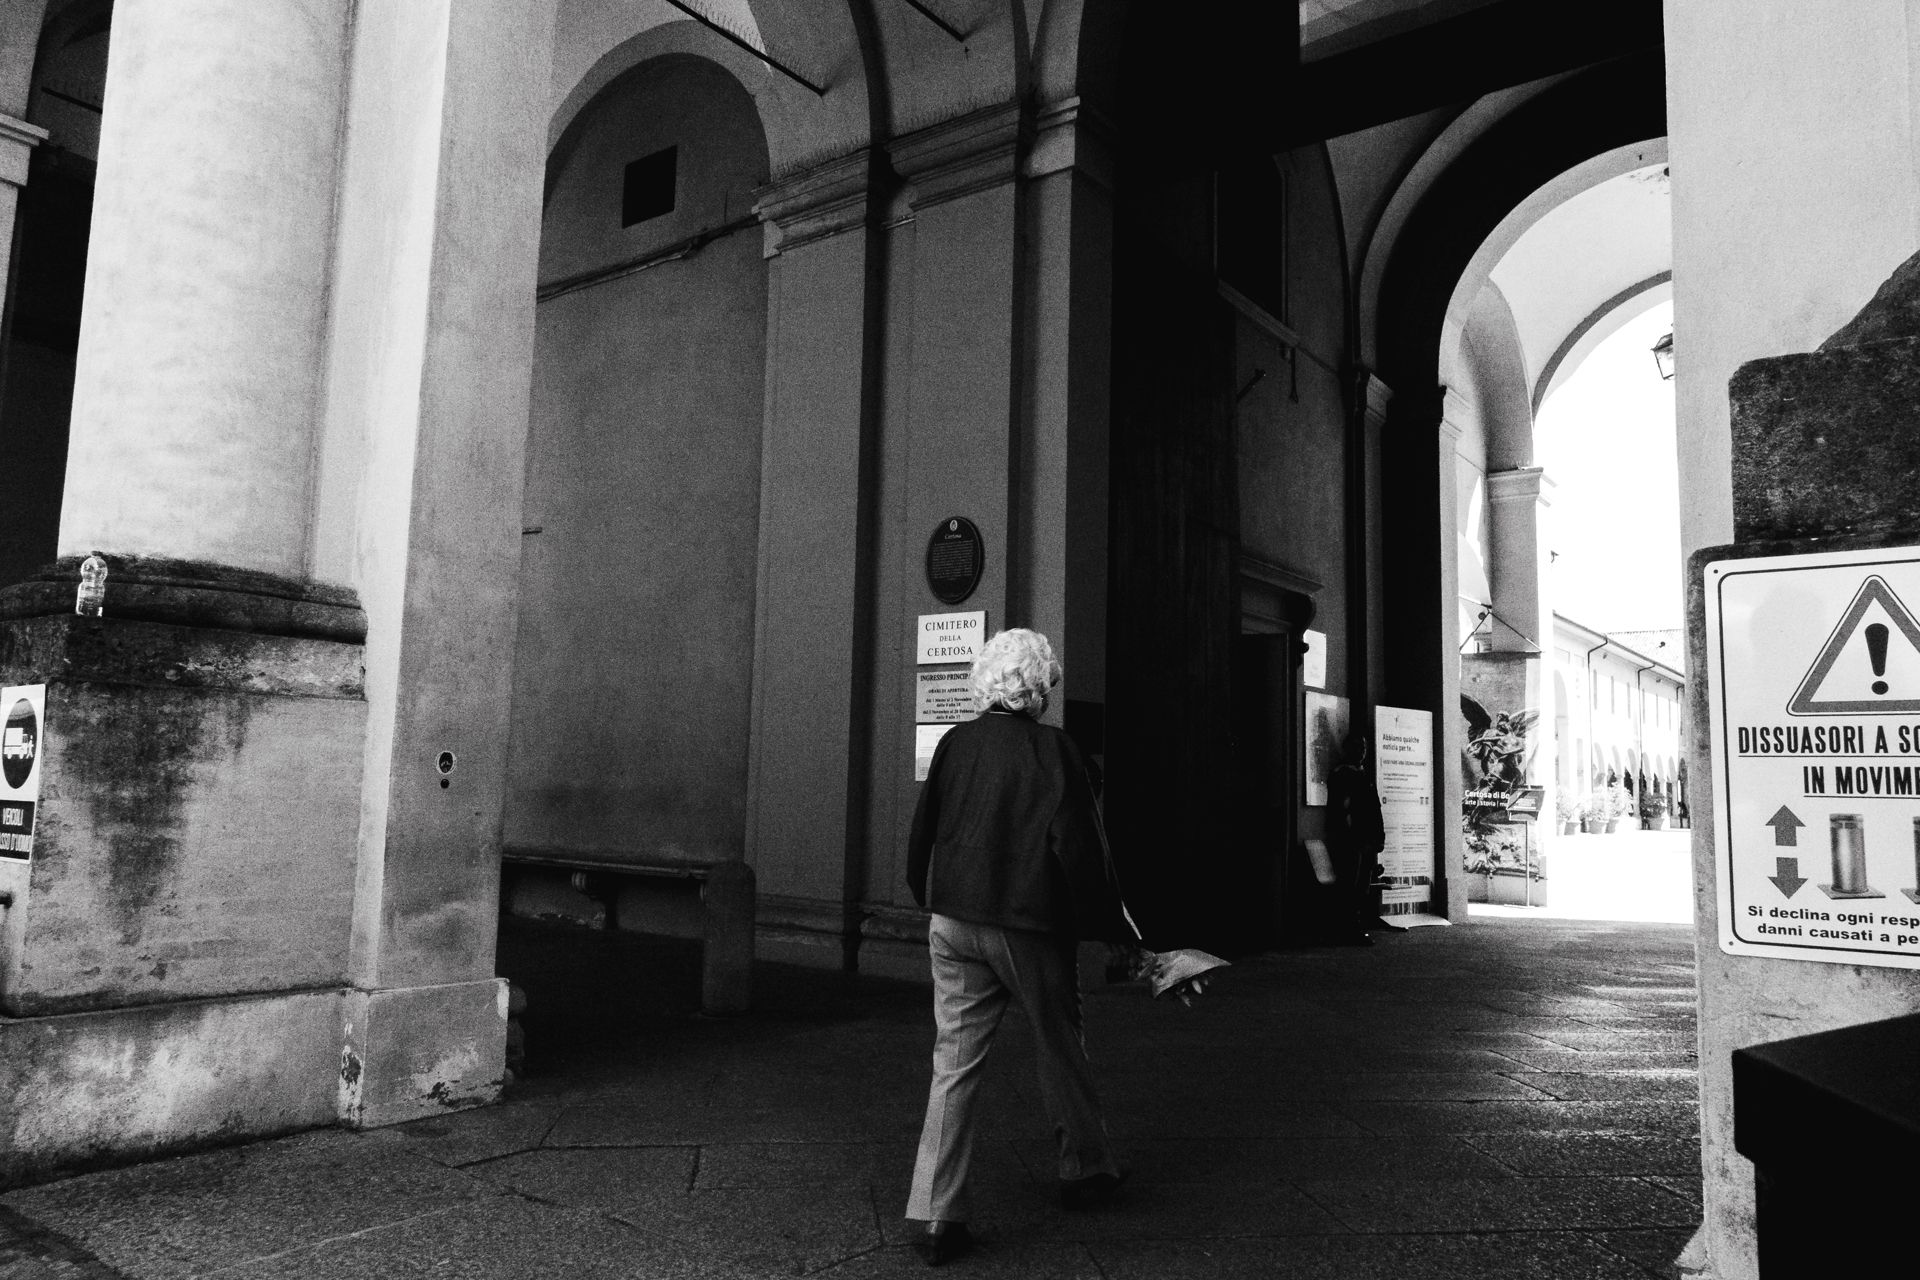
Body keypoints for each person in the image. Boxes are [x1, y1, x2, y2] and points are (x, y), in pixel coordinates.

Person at [904, 627, 1132, 1266]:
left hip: (951, 917)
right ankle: (1084, 1169)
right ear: (1038, 690)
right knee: (1059, 1040)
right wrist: (1123, 934)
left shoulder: (955, 742)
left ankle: (934, 1212)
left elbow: (924, 829)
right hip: (1025, 922)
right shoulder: (1054, 752)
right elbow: (1085, 856)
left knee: (953, 1061)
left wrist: (926, 887)